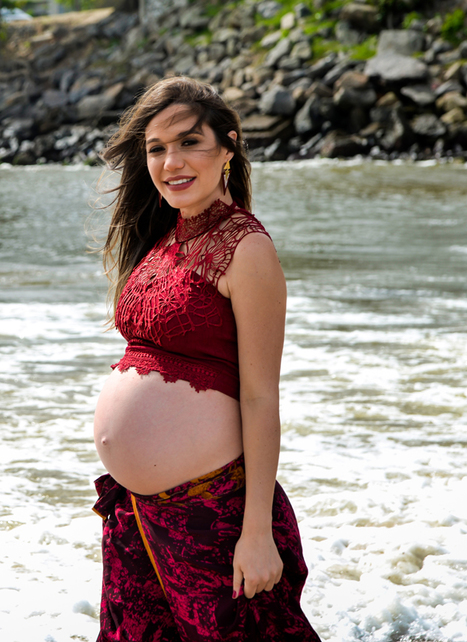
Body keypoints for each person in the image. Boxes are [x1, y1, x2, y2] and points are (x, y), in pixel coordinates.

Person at [94, 77, 320, 642]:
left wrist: (257, 533)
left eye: (189, 142)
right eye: (156, 148)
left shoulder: (246, 248)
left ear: (228, 147)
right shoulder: (161, 238)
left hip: (211, 515)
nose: (171, 162)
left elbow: (262, 395)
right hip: (141, 514)